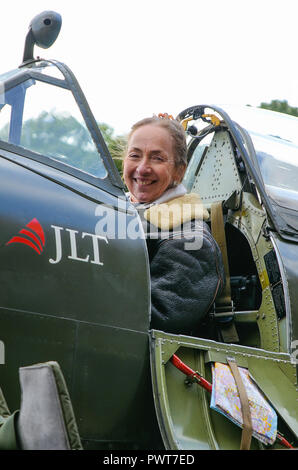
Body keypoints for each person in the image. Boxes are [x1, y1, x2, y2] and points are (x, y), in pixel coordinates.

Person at [123, 114, 225, 336]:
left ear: (180, 171)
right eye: (134, 155)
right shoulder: (116, 212)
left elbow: (159, 318)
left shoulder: (191, 240)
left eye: (157, 159)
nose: (142, 168)